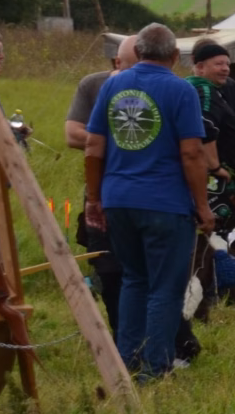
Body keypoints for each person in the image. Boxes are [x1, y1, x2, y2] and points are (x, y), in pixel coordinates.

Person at [82, 23, 212, 379]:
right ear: (175, 56)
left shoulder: (112, 85)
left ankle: (126, 362)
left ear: (137, 53)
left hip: (118, 200)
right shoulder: (181, 90)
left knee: (134, 280)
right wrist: (202, 207)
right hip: (165, 204)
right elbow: (191, 154)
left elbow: (93, 147)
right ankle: (156, 369)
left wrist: (94, 199)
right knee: (165, 288)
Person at [66, 35, 140, 331]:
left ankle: (170, 342)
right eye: (130, 66)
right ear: (116, 62)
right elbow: (72, 135)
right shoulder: (93, 85)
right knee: (109, 272)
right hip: (102, 195)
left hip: (147, 197)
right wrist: (118, 142)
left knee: (147, 273)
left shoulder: (162, 87)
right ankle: (123, 340)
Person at [187, 40, 235, 324]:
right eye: (218, 64)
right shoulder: (204, 90)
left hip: (217, 189)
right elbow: (204, 129)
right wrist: (216, 168)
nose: (225, 68)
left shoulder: (209, 89)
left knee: (203, 253)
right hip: (221, 191)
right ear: (200, 66)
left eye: (227, 64)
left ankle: (196, 315)